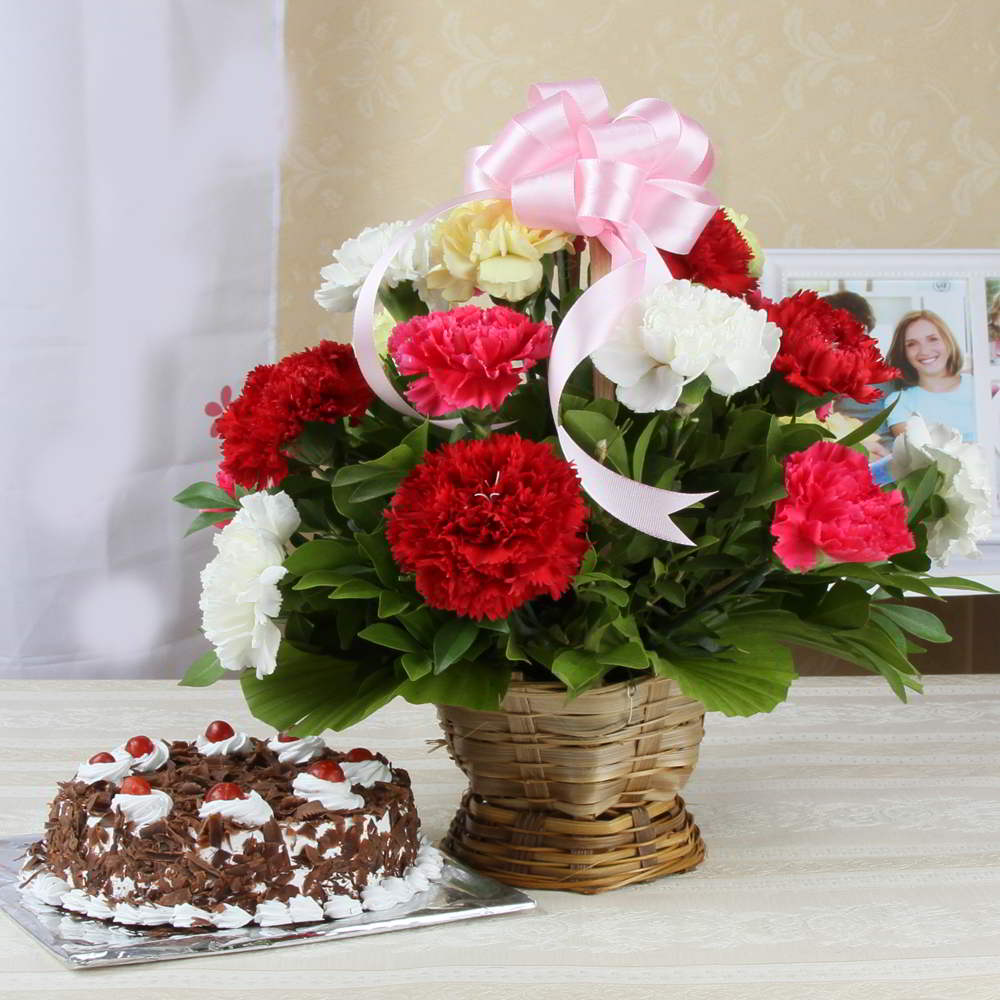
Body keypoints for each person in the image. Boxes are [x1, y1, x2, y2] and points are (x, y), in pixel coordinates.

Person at [884, 310, 976, 441]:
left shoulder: (981, 386)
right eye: (912, 344)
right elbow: (921, 453)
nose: (924, 350)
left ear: (948, 342)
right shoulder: (898, 402)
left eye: (933, 339)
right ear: (903, 353)